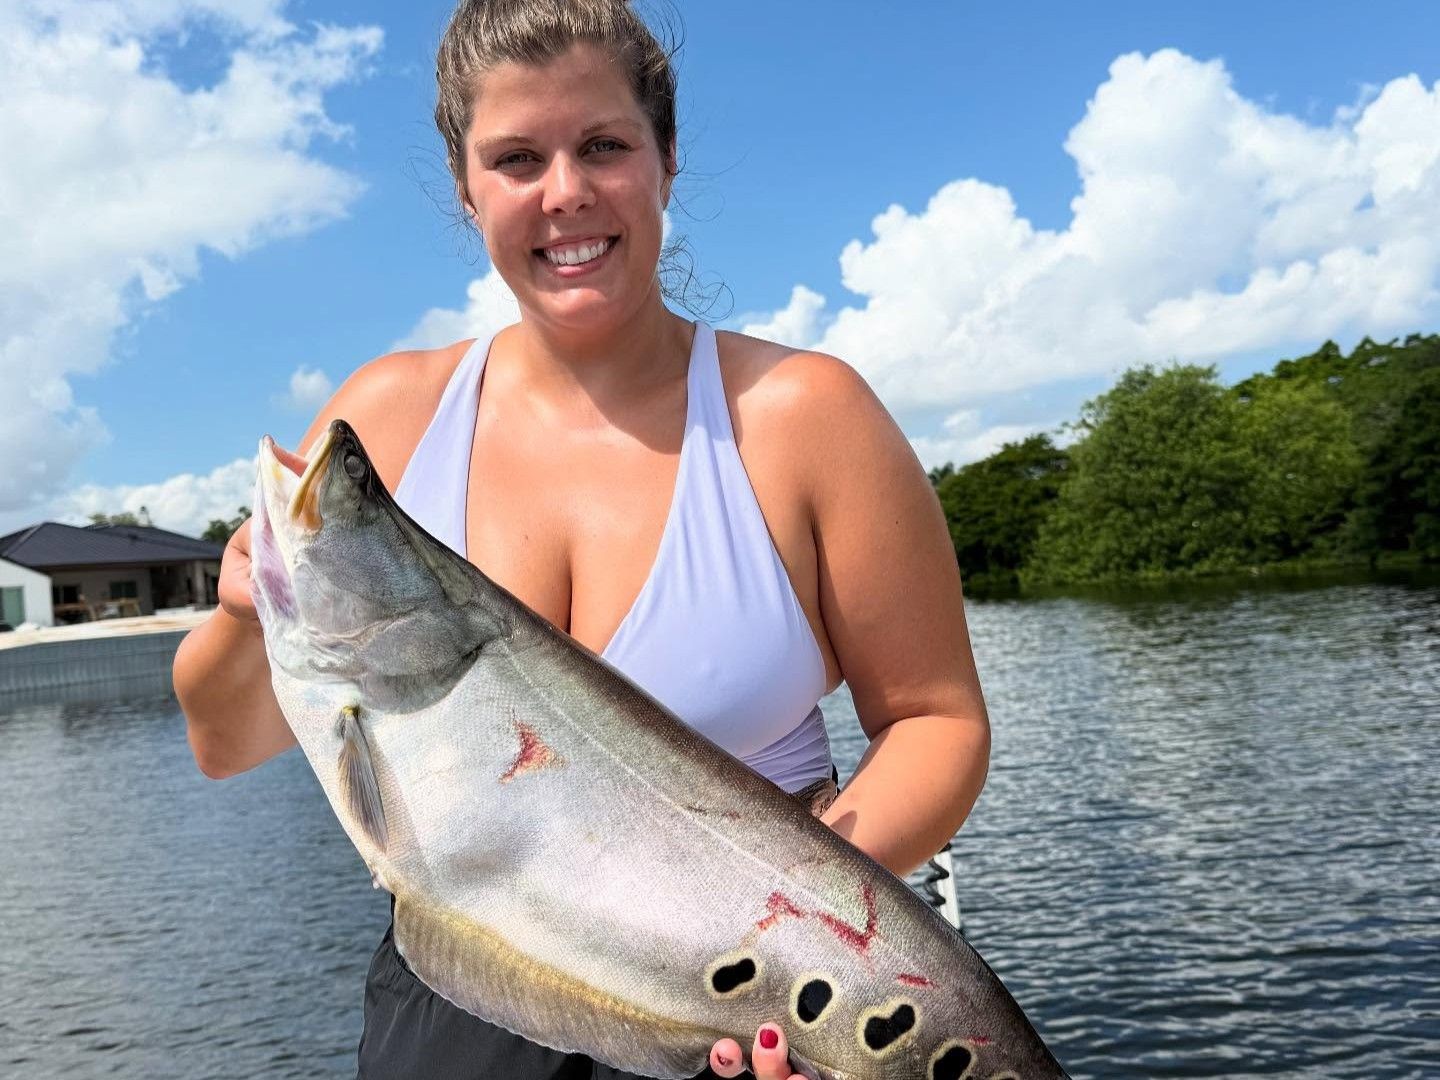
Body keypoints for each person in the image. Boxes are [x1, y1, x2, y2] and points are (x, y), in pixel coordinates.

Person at [173, 1, 991, 1077]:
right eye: (516, 158)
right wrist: (251, 606)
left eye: (604, 144)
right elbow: (226, 743)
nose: (566, 192)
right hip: (450, 1013)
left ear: (666, 162)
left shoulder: (806, 415)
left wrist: (805, 926)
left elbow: (937, 721)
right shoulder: (391, 417)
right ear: (466, 188)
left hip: (763, 1013)